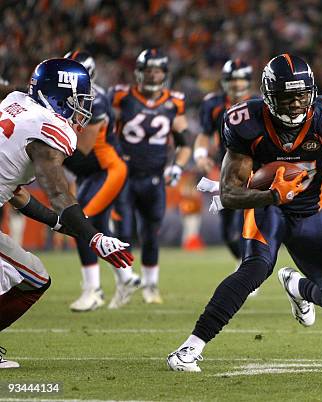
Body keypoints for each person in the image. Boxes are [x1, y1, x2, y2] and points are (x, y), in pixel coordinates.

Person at [167, 54, 322, 372]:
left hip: (311, 212)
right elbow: (229, 195)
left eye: (301, 95)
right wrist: (272, 195)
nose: (297, 104)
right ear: (270, 96)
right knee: (255, 268)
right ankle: (190, 348)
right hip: (266, 207)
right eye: (288, 96)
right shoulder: (247, 122)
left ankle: (298, 287)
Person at [0, 58, 133, 368]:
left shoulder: (15, 104)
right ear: (59, 95)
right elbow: (58, 192)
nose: (81, 109)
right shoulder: (46, 128)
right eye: (78, 100)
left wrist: (58, 224)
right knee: (17, 276)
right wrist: (94, 237)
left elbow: (16, 193)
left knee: (32, 277)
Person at [110, 48, 192, 306]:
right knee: (122, 232)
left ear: (165, 74)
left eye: (157, 70)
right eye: (148, 70)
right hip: (124, 175)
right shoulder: (122, 97)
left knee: (150, 234)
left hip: (154, 178)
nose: (153, 75)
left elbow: (185, 142)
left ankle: (150, 285)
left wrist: (177, 166)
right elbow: (107, 133)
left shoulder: (174, 102)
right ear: (139, 73)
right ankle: (124, 283)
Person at [62, 50, 128, 312]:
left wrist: (47, 154)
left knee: (82, 224)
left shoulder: (95, 100)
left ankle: (93, 290)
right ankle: (126, 277)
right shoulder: (72, 96)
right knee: (96, 227)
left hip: (106, 168)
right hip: (92, 171)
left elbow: (83, 148)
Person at [194, 59, 258, 266]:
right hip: (229, 171)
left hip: (256, 172)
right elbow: (204, 134)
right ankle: (244, 263)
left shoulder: (259, 104)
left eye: (240, 80)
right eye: (232, 80)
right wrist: (201, 155)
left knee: (248, 223)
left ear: (248, 81)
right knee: (228, 231)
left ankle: (249, 268)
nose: (236, 84)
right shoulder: (213, 103)